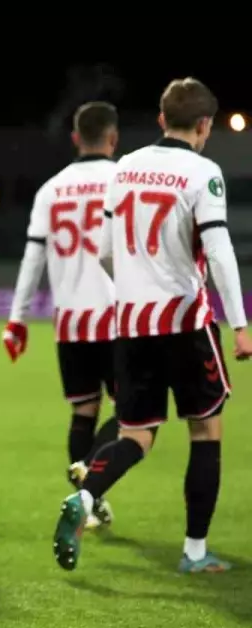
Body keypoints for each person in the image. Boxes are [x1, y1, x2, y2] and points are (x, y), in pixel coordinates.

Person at [55, 78, 252, 574]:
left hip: (131, 324)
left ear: (162, 120)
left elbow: (102, 250)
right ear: (205, 125)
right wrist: (240, 324)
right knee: (205, 431)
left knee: (136, 435)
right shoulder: (203, 172)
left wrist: (136, 288)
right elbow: (220, 252)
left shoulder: (125, 168)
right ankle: (194, 553)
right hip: (185, 320)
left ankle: (85, 496)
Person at [4, 101, 122, 530]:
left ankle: (87, 499)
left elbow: (32, 260)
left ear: (75, 138)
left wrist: (16, 318)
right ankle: (89, 475)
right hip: (116, 317)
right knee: (133, 415)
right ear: (113, 138)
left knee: (83, 412)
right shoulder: (123, 180)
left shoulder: (50, 190)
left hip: (70, 321)